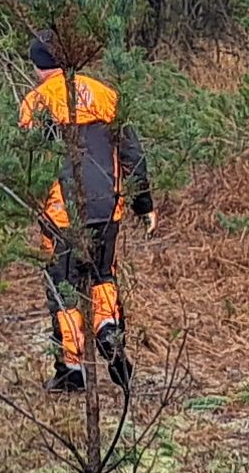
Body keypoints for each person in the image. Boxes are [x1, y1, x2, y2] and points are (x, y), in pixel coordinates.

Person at [19, 49, 153, 389]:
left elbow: (29, 163)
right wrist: (144, 204)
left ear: (37, 67)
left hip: (62, 211)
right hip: (108, 206)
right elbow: (132, 153)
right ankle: (110, 334)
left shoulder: (36, 103)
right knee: (102, 276)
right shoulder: (106, 95)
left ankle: (72, 370)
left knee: (63, 286)